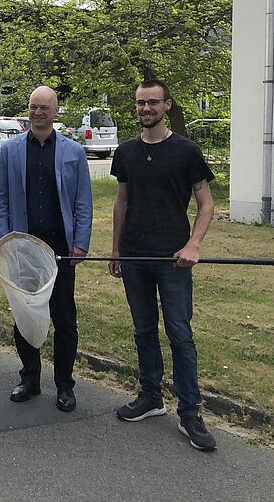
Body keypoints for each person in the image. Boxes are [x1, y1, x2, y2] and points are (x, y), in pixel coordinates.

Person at [109, 79, 217, 451]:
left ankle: (190, 412)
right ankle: (151, 397)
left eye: (153, 103)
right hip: (135, 256)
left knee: (180, 334)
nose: (145, 109)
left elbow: (207, 205)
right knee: (143, 330)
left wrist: (194, 245)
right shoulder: (125, 152)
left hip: (173, 260)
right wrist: (116, 249)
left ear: (167, 105)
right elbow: (121, 202)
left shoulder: (187, 151)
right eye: (140, 103)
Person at [0, 85, 92, 412]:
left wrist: (80, 243)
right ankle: (30, 379)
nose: (38, 112)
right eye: (34, 107)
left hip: (60, 247)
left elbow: (82, 202)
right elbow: (2, 200)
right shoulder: (10, 150)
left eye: (44, 107)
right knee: (24, 315)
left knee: (64, 318)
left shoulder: (73, 152)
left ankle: (65, 385)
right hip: (22, 247)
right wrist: (5, 242)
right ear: (28, 108)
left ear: (56, 111)